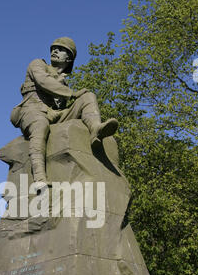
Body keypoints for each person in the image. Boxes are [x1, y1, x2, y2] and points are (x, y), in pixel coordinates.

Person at [10, 37, 118, 188]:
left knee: (88, 96)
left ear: (69, 58)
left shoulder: (63, 81)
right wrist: (72, 93)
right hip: (32, 109)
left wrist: (66, 88)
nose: (55, 51)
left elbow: (60, 107)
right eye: (54, 48)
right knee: (40, 126)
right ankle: (39, 178)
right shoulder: (37, 64)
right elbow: (43, 81)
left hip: (55, 115)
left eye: (61, 49)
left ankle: (95, 129)